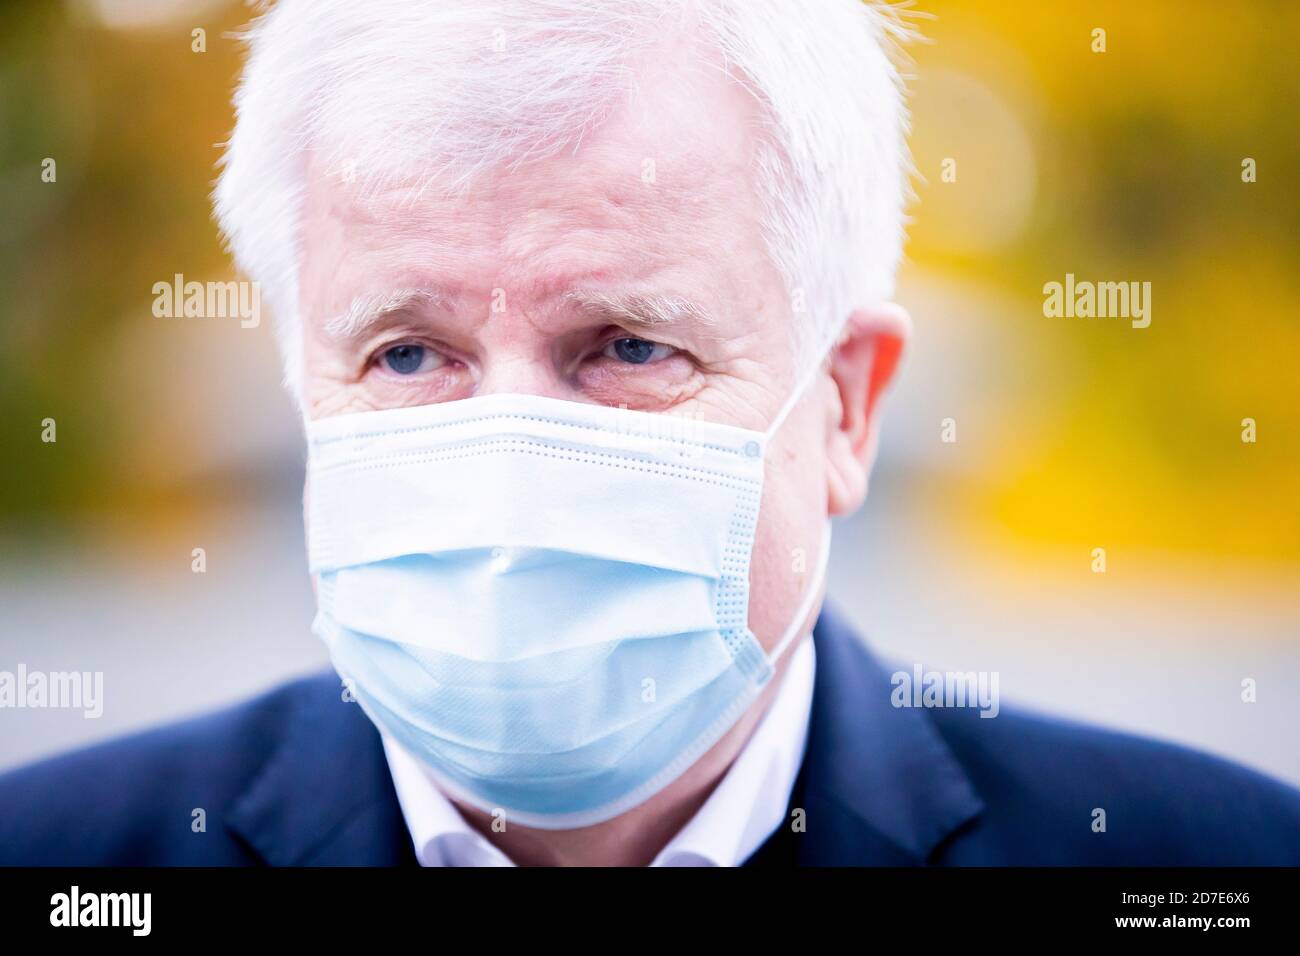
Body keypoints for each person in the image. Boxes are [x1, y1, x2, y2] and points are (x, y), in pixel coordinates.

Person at [1, 0, 1297, 867]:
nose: (509, 458)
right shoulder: (59, 859)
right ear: (300, 384)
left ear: (845, 405)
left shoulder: (1205, 864)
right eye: (407, 353)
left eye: (627, 346)